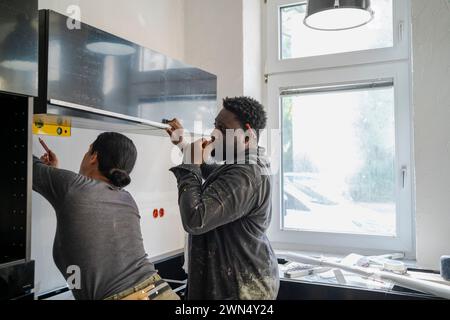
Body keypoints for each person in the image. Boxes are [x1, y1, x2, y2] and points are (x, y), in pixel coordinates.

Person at [33, 132, 179, 300]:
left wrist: (50, 174)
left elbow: (26, 164)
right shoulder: (127, 199)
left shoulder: (71, 188)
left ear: (94, 157)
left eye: (88, 152)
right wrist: (52, 174)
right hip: (160, 291)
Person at [166, 96, 280, 300]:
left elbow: (195, 219)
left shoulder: (246, 174)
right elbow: (216, 177)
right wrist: (184, 145)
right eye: (214, 126)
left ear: (247, 135)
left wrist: (189, 164)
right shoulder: (247, 164)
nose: (213, 134)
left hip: (239, 292)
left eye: (222, 128)